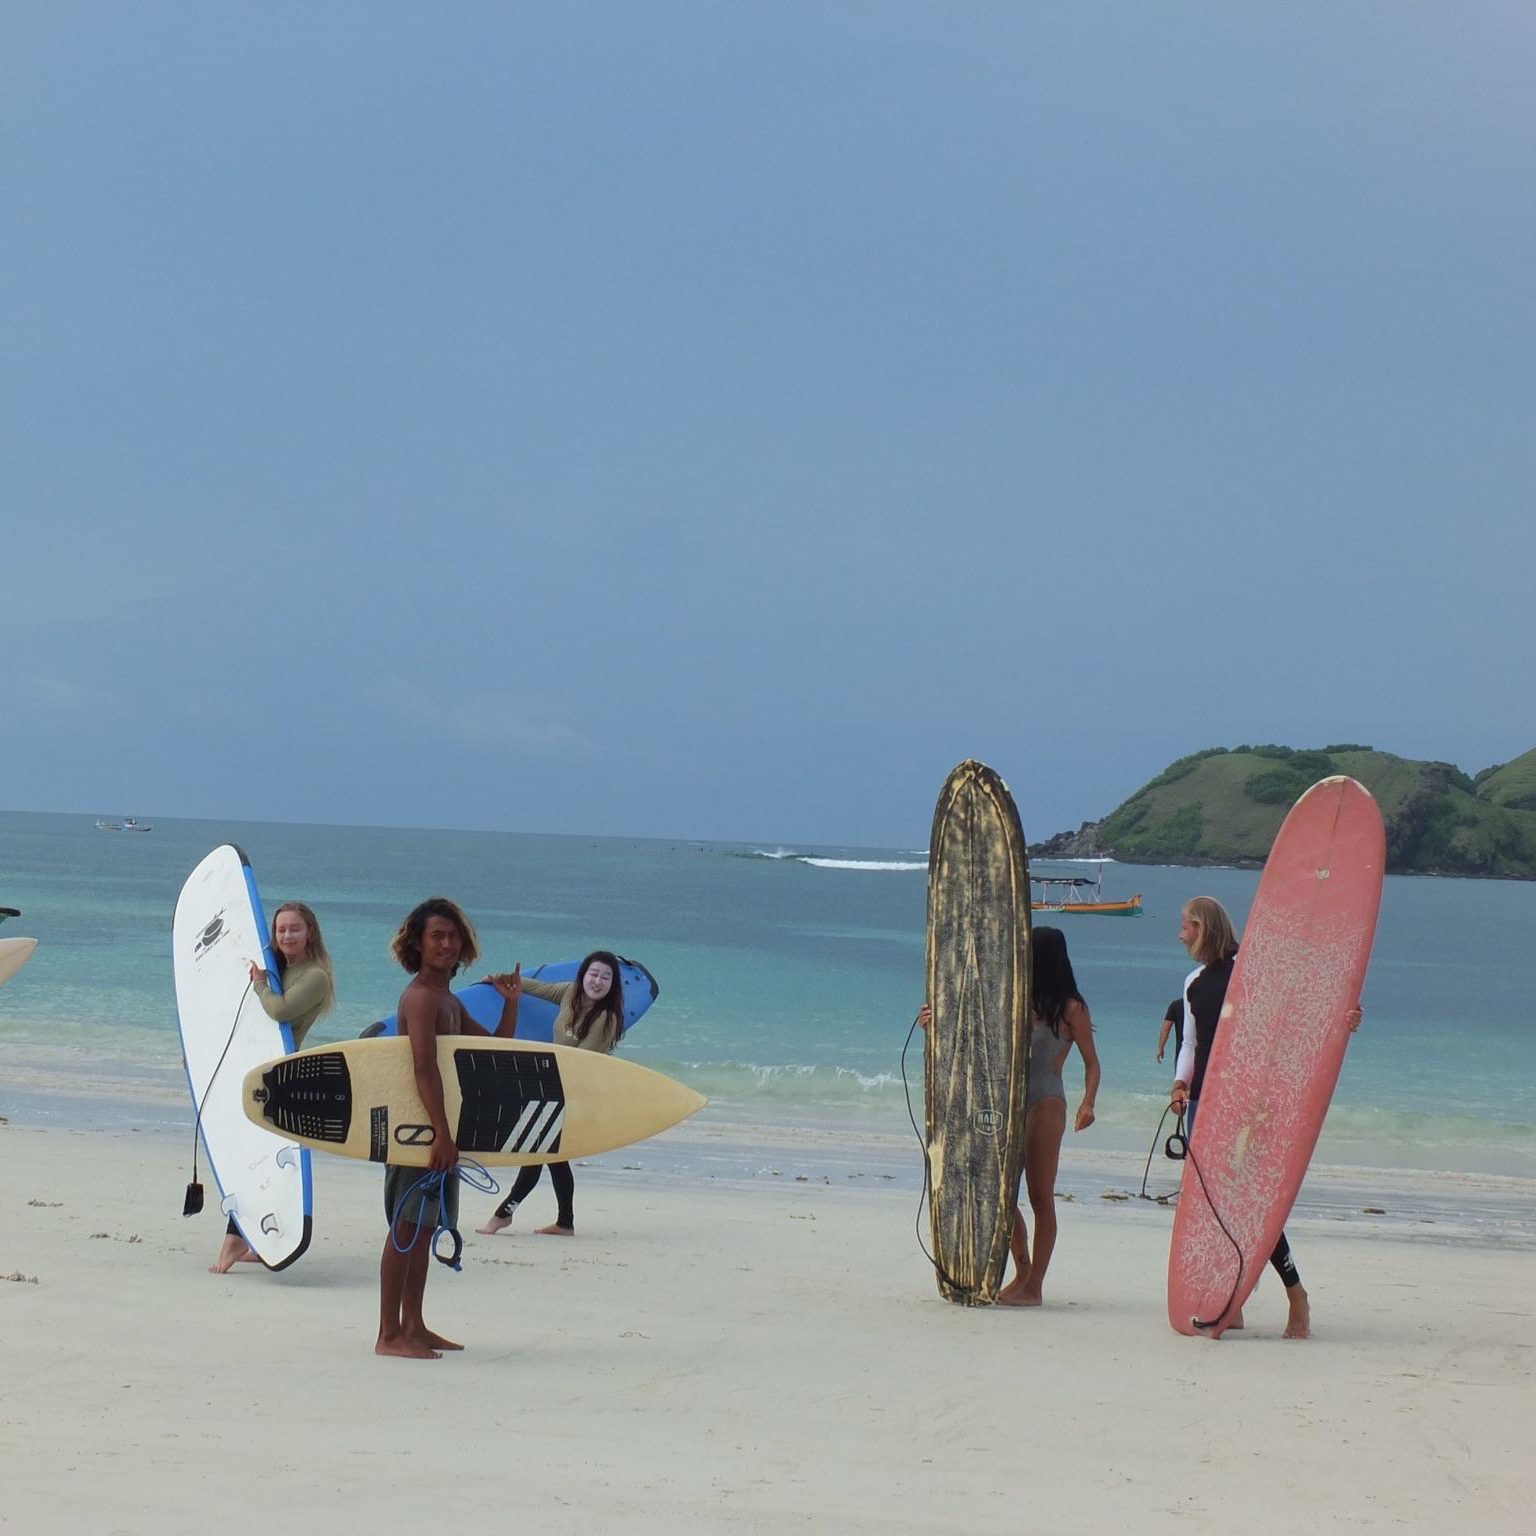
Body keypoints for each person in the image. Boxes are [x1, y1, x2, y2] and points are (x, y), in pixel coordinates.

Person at [1170, 895, 1362, 1340]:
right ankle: (1229, 1300)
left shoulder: (1251, 974)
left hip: (1250, 1106)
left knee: (1252, 1204)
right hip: (1205, 1103)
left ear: (1205, 928)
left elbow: (1303, 1014)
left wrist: (1347, 1018)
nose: (1181, 934)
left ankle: (1295, 1293)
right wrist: (1181, 1084)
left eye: (1187, 926)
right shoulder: (1194, 982)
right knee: (1214, 1207)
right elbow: (1192, 1044)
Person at [919, 925, 1101, 1308]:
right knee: (1001, 1192)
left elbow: (1092, 1063)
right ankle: (1022, 1270)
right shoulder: (1014, 999)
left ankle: (1034, 1286)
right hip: (1009, 1105)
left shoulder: (1071, 1008)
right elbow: (971, 1034)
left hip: (1047, 1104)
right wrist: (933, 1022)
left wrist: (1089, 1104)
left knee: (1040, 1196)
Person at [377, 897, 522, 1360]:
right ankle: (388, 1334)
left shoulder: (449, 1000)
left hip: (438, 1132)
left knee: (423, 1228)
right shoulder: (419, 998)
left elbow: (496, 1050)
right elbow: (423, 1070)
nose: (446, 943)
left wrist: (511, 1004)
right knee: (404, 1227)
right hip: (417, 1133)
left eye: (453, 936)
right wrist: (442, 1134)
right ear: (417, 944)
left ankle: (414, 1325)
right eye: (436, 936)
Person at [210, 901, 335, 1274]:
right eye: (281, 930)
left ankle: (237, 1240)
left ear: (309, 932)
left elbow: (279, 1011)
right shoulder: (282, 968)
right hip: (259, 1073)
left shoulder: (315, 976)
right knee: (256, 1155)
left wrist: (260, 984)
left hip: (285, 1081)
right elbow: (250, 1022)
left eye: (294, 929)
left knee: (262, 1156)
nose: (287, 936)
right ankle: (256, 1240)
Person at [476, 951, 625, 1238]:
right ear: (583, 975)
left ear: (612, 985)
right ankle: (564, 1222)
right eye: (594, 974)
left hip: (576, 1094)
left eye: (606, 977)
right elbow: (537, 989)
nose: (598, 981)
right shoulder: (570, 993)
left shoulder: (605, 1017)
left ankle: (502, 1215)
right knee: (552, 1156)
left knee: (539, 1151)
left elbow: (581, 1062)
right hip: (555, 1089)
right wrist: (501, 981)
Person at [1157, 996, 1184, 1063]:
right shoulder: (1204, 1004)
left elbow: (1165, 1029)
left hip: (1182, 1053)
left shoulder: (1176, 1005)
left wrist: (1160, 1048)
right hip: (1204, 1052)